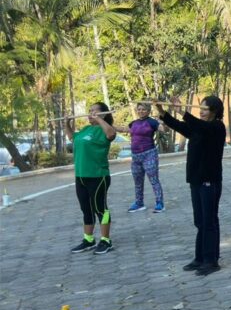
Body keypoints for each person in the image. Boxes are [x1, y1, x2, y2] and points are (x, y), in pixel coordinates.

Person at [156, 96, 226, 276]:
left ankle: (211, 261)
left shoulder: (216, 127)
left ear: (215, 111)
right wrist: (163, 111)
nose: (201, 111)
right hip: (196, 180)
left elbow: (201, 126)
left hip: (209, 181)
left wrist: (181, 110)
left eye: (205, 109)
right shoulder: (198, 128)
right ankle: (200, 258)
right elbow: (180, 126)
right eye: (200, 108)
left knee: (209, 221)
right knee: (200, 221)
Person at [68, 103, 117, 255]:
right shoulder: (86, 129)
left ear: (103, 114)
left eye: (94, 111)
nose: (90, 113)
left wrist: (100, 119)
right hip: (81, 176)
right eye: (89, 111)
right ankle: (88, 239)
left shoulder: (105, 129)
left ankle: (105, 240)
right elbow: (72, 138)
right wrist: (67, 123)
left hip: (98, 176)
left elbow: (111, 135)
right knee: (86, 209)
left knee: (100, 208)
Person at [113, 102, 165, 214]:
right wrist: (105, 122)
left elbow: (163, 129)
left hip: (149, 154)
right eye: (139, 109)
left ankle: (160, 203)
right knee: (137, 181)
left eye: (143, 109)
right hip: (136, 157)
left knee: (154, 180)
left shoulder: (152, 122)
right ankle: (139, 203)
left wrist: (163, 122)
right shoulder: (134, 123)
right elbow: (122, 129)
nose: (141, 111)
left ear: (148, 111)